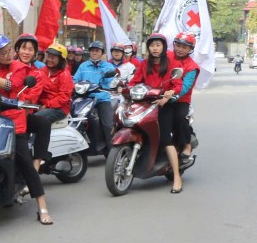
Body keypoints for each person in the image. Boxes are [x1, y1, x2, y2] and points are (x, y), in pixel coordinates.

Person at [0, 34, 56, 225]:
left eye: (10, 49)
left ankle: (42, 206)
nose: (10, 54)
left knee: (26, 162)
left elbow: (13, 86)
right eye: (4, 52)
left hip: (12, 121)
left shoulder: (19, 68)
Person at [129, 33, 183, 193]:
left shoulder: (171, 62)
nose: (155, 48)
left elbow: (177, 85)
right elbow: (135, 81)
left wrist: (168, 95)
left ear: (164, 47)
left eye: (158, 45)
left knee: (166, 139)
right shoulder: (144, 63)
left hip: (164, 105)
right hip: (145, 103)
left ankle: (177, 177)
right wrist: (126, 88)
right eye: (152, 45)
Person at [11, 34, 50, 172]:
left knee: (44, 123)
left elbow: (32, 96)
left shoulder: (38, 74)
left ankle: (36, 164)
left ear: (35, 53)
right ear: (17, 49)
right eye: (23, 48)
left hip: (23, 113)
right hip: (2, 112)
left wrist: (17, 96)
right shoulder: (7, 67)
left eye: (30, 49)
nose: (26, 52)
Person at [73, 40, 116, 157]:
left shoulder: (108, 66)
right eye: (92, 51)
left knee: (108, 124)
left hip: (102, 99)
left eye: (97, 51)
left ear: (102, 53)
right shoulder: (83, 66)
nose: (94, 53)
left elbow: (112, 81)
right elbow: (75, 80)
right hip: (85, 98)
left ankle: (112, 153)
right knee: (76, 120)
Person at [169, 32, 199, 164]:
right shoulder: (167, 56)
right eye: (178, 45)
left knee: (179, 118)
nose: (180, 49)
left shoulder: (192, 66)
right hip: (160, 96)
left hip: (180, 100)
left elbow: (186, 86)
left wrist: (173, 96)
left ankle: (187, 145)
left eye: (184, 47)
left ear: (190, 49)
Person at [35, 42, 74, 126]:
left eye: (53, 57)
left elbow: (63, 97)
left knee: (36, 120)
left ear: (61, 59)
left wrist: (46, 106)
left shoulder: (65, 74)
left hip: (59, 108)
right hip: (42, 104)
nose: (49, 59)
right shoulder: (43, 70)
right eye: (48, 56)